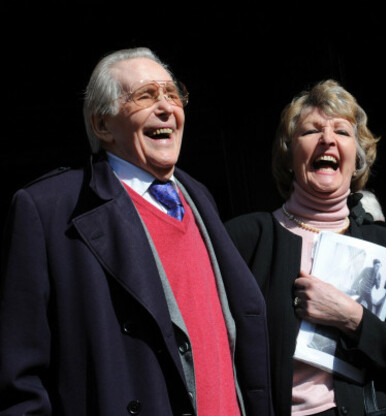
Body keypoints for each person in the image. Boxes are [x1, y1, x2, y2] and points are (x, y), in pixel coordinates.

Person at [0, 47, 273, 415]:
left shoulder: (197, 195)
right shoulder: (51, 209)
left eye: (172, 94)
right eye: (145, 96)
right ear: (102, 125)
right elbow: (21, 377)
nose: (166, 108)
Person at [226, 79, 386, 416]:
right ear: (289, 153)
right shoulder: (245, 238)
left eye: (341, 131)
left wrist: (351, 318)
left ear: (357, 159)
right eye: (311, 131)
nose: (327, 139)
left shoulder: (383, 245)